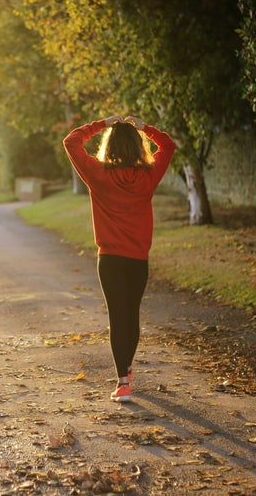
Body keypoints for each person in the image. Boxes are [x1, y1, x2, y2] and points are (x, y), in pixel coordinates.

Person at [63, 114, 176, 402]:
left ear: (109, 146)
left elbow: (71, 141)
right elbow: (168, 145)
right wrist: (145, 128)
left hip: (110, 260)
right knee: (131, 314)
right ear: (138, 147)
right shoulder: (148, 176)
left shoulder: (97, 174)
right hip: (138, 259)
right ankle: (126, 368)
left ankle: (123, 381)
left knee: (117, 317)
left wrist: (102, 124)